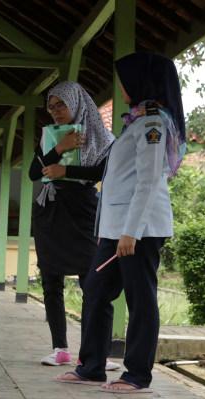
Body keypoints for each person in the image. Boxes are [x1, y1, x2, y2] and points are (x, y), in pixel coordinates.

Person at [55, 52, 185, 393]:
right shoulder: (137, 121)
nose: (121, 86)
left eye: (125, 80)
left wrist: (130, 232)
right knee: (96, 291)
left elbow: (148, 182)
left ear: (143, 81)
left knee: (140, 299)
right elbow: (117, 182)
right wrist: (108, 232)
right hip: (117, 231)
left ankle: (137, 375)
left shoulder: (154, 123)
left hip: (139, 230)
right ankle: (92, 367)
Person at [28, 81, 118, 370]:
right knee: (51, 281)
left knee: (91, 282)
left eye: (60, 105)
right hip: (52, 210)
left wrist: (66, 169)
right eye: (51, 107)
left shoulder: (103, 137)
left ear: (77, 103)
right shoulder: (49, 136)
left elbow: (104, 171)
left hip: (84, 210)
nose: (55, 112)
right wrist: (60, 148)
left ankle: (95, 353)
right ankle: (60, 349)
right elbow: (34, 172)